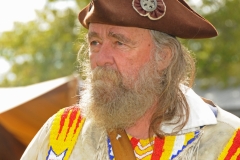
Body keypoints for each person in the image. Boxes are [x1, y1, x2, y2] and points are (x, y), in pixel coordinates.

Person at [21, 0, 240, 159]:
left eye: (119, 43)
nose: (101, 59)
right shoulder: (62, 131)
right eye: (95, 43)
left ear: (164, 56)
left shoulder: (228, 142)